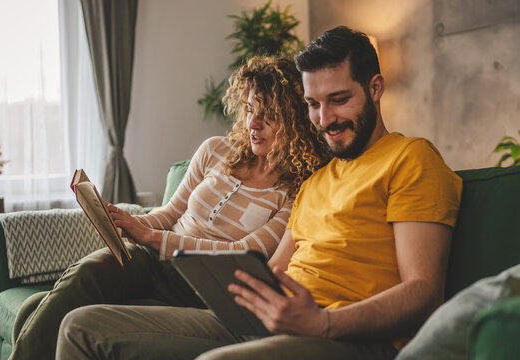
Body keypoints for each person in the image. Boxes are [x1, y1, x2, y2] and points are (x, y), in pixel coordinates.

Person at [55, 26, 463, 360]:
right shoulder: (317, 181)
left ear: (375, 88)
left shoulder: (410, 159)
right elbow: (274, 271)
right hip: (267, 321)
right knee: (81, 326)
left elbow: (424, 290)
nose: (325, 120)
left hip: (345, 336)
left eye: (339, 101)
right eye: (313, 105)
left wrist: (324, 323)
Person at [9, 56, 328, 360]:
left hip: (200, 287)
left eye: (268, 115)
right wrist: (126, 220)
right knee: (90, 272)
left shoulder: (296, 191)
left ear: (294, 121)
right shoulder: (216, 150)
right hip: (153, 261)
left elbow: (241, 252)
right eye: (249, 110)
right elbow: (170, 213)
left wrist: (151, 238)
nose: (253, 124)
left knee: (36, 307)